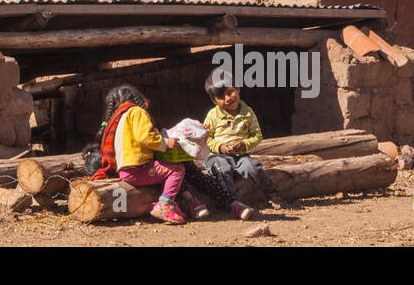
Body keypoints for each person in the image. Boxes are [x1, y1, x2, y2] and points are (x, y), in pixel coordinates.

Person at [92, 84, 188, 224]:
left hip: (125, 170)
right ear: (136, 97)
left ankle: (171, 205)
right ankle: (164, 205)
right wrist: (165, 143)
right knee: (177, 169)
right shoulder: (137, 111)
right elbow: (144, 137)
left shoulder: (118, 118)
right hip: (137, 170)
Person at [202, 72, 284, 208]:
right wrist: (221, 147)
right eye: (221, 97)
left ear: (238, 88)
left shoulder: (248, 113)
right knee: (222, 169)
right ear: (214, 101)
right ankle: (231, 202)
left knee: (253, 168)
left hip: (241, 156)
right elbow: (205, 138)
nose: (227, 98)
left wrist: (244, 145)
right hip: (217, 156)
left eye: (230, 92)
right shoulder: (212, 115)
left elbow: (257, 136)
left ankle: (271, 194)